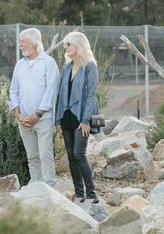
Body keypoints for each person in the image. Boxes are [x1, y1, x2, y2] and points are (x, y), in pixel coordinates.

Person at [9, 27, 59, 185]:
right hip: (23, 120)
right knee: (32, 157)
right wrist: (17, 112)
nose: (20, 45)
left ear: (34, 43)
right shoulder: (20, 65)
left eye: (22, 42)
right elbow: (14, 89)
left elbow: (51, 92)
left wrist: (37, 115)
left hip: (43, 119)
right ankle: (36, 186)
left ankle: (49, 188)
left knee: (45, 155)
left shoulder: (48, 63)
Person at [55, 30, 99, 204]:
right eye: (65, 44)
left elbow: (92, 95)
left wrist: (86, 120)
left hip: (82, 117)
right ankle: (79, 193)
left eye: (69, 44)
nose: (66, 47)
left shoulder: (90, 66)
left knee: (79, 154)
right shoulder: (66, 68)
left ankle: (91, 194)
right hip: (66, 117)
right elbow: (60, 95)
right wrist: (57, 120)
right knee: (71, 156)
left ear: (78, 45)